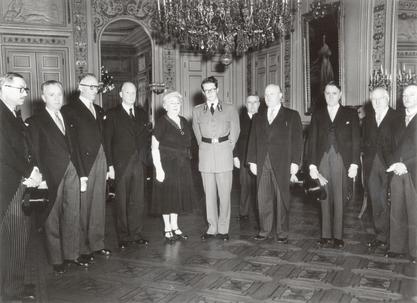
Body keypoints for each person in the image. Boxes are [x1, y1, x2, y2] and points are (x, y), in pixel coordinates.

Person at [26, 80, 84, 273]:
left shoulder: (68, 117)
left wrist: (81, 172)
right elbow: (34, 151)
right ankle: (56, 259)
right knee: (52, 217)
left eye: (59, 94)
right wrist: (40, 176)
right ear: (43, 98)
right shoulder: (36, 121)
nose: (57, 98)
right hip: (51, 174)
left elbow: (76, 147)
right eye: (52, 95)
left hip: (72, 171)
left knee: (73, 214)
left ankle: (71, 255)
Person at [0, 72, 41, 301]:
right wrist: (29, 173)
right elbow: (4, 151)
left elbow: (25, 146)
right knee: (14, 238)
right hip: (9, 186)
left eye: (26, 89)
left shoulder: (12, 113)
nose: (25, 94)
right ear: (4, 87)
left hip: (18, 181)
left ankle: (13, 286)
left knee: (18, 238)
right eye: (21, 89)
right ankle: (11, 292)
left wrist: (34, 169)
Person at [61, 73, 110, 264]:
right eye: (90, 87)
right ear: (80, 87)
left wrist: (108, 163)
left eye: (96, 87)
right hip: (83, 162)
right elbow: (71, 142)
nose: (94, 90)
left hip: (100, 158)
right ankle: (81, 247)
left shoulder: (98, 109)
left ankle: (97, 243)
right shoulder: (70, 109)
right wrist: (80, 170)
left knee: (98, 203)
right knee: (82, 206)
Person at [247, 84, 303, 243]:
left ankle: (282, 231)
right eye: (266, 94)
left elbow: (298, 141)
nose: (269, 97)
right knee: (262, 197)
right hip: (262, 161)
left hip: (283, 163)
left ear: (280, 95)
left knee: (282, 197)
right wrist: (251, 161)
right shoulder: (258, 116)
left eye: (272, 93)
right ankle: (264, 230)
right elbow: (252, 140)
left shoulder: (292, 116)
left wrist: (295, 163)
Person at [308, 81, 360, 249]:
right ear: (324, 95)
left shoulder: (350, 114)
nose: (330, 96)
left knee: (339, 196)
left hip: (341, 159)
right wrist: (312, 165)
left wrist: (354, 164)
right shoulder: (318, 114)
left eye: (334, 93)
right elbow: (312, 140)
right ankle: (325, 235)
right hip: (322, 158)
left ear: (340, 94)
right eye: (327, 93)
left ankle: (338, 236)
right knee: (324, 195)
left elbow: (356, 141)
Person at [103, 82, 151, 249]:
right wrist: (109, 166)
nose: (131, 95)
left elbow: (146, 139)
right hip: (120, 164)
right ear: (121, 94)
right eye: (127, 92)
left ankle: (136, 234)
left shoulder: (142, 114)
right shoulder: (112, 114)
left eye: (133, 92)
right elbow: (107, 142)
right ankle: (123, 237)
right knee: (121, 202)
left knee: (137, 201)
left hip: (139, 163)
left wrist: (146, 160)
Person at [192, 76, 240, 241]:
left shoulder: (229, 108)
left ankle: (224, 228)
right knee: (209, 195)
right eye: (206, 90)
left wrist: (226, 148)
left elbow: (235, 131)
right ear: (203, 92)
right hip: (205, 155)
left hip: (224, 154)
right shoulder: (198, 110)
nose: (209, 93)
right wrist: (206, 147)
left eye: (212, 89)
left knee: (225, 194)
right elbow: (197, 134)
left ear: (217, 90)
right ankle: (212, 227)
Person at [151, 91, 194, 243]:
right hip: (166, 164)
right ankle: (167, 227)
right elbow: (154, 147)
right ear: (165, 106)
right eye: (172, 103)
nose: (176, 106)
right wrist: (158, 168)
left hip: (182, 164)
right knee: (167, 197)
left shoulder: (184, 120)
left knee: (177, 197)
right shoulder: (162, 122)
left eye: (178, 103)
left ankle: (175, 226)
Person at [362, 87, 397, 248]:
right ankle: (381, 235)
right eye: (373, 99)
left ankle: (394, 237)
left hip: (391, 165)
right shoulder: (368, 118)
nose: (376, 102)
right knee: (376, 200)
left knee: (392, 201)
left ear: (387, 98)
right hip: (371, 165)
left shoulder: (397, 116)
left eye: (380, 98)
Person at [386, 84, 417, 263]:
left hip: (413, 170)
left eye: (411, 95)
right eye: (404, 95)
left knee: (414, 211)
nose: (406, 98)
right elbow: (387, 145)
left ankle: (415, 251)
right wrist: (395, 163)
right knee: (396, 209)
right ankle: (396, 247)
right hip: (396, 170)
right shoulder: (396, 119)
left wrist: (405, 164)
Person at [233, 95, 260, 222]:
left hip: (260, 158)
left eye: (255, 102)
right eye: (250, 102)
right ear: (246, 104)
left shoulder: (264, 118)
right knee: (245, 186)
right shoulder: (238, 120)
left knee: (261, 187)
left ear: (259, 104)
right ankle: (244, 213)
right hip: (243, 158)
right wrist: (235, 156)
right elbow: (233, 140)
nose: (253, 105)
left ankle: (261, 212)